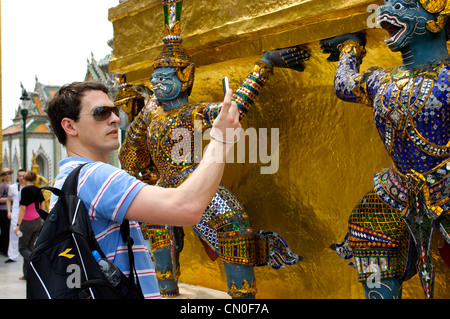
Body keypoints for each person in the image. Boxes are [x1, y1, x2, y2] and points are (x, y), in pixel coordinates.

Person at [45, 80, 241, 299]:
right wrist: (220, 140)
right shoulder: (96, 177)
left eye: (115, 110)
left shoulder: (68, 178)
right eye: (101, 113)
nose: (116, 119)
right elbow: (187, 207)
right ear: (70, 126)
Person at [14, 170, 45, 280]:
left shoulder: (25, 190)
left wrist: (18, 224)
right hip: (37, 221)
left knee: (23, 248)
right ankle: (28, 274)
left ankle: (36, 262)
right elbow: (42, 205)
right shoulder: (38, 189)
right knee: (30, 247)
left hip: (27, 222)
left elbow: (23, 208)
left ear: (25, 178)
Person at [5, 169, 26, 263]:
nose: (21, 178)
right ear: (17, 177)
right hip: (15, 213)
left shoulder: (28, 187)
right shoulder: (13, 187)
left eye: (23, 176)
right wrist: (8, 211)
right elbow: (8, 200)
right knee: (14, 233)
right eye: (20, 176)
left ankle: (26, 253)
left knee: (25, 234)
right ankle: (12, 255)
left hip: (25, 213)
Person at [0, 168, 13, 255]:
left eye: (8, 174)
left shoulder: (12, 185)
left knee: (9, 230)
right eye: (5, 174)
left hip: (11, 209)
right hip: (3, 210)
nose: (7, 175)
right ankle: (4, 249)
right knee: (5, 230)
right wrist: (8, 199)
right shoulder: (2, 186)